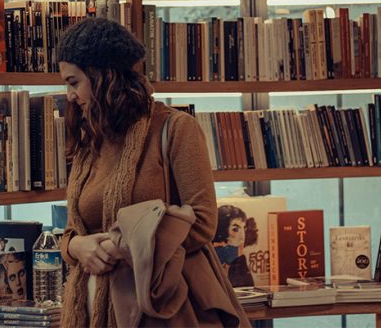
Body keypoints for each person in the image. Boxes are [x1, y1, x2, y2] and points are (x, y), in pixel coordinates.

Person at [56, 18, 250, 327]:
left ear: (103, 76)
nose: (69, 95)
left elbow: (202, 223)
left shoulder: (175, 129)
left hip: (159, 309)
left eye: (73, 81)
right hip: (92, 312)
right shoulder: (89, 139)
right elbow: (73, 230)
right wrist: (77, 247)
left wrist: (119, 247)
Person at [213, 205, 257, 287]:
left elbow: (246, 288)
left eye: (244, 229)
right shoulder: (214, 256)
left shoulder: (238, 258)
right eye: (235, 229)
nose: (242, 237)